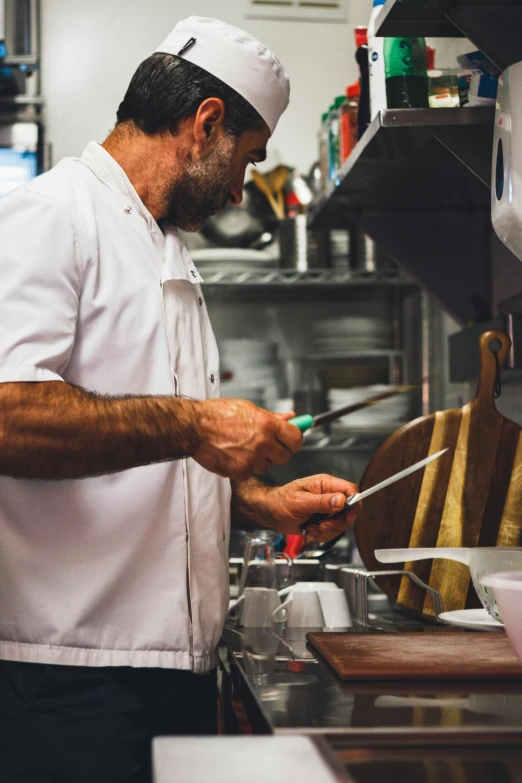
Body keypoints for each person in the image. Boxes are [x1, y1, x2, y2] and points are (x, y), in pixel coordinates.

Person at [0, 16, 358, 782]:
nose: (239, 188)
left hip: (173, 671)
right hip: (71, 677)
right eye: (246, 160)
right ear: (205, 123)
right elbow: (8, 413)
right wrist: (198, 423)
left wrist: (259, 501)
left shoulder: (164, 243)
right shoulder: (50, 216)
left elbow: (148, 462)